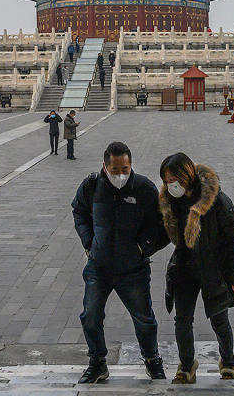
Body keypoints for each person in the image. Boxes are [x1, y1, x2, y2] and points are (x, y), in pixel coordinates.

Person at [71, 142, 169, 383]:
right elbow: (79, 211)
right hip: (99, 266)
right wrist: (88, 242)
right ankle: (97, 362)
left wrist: (143, 247)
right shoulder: (92, 186)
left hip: (133, 269)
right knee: (90, 316)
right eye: (115, 170)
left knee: (144, 319)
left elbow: (163, 225)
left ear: (131, 164)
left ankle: (152, 359)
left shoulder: (144, 189)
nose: (120, 175)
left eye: (125, 169)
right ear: (105, 166)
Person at [159, 153, 234, 384]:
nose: (170, 185)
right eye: (166, 181)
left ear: (186, 176)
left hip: (213, 269)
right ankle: (187, 365)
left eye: (173, 180)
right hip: (185, 267)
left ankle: (228, 361)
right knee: (182, 320)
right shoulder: (170, 200)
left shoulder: (217, 201)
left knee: (219, 320)